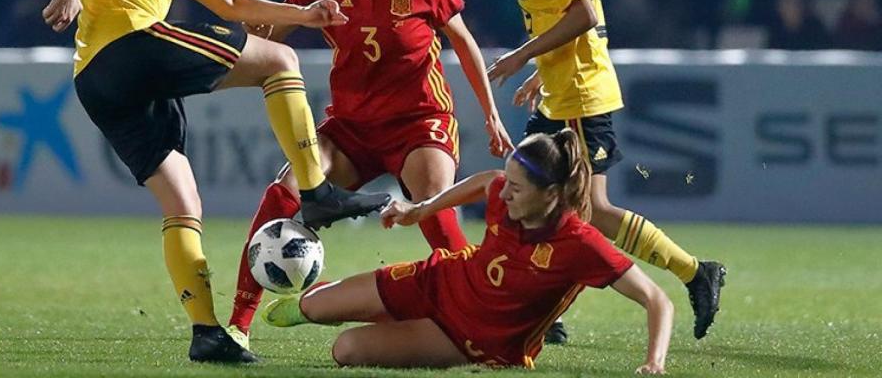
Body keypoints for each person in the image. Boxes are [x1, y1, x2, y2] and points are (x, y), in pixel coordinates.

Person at [27, 0, 391, 364]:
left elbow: (230, 3)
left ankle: (207, 334)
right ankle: (315, 193)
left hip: (99, 82)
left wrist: (305, 14)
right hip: (130, 44)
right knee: (280, 60)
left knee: (183, 202)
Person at [227, 0, 514, 347]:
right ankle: (237, 325)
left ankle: (487, 307)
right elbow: (272, 34)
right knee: (283, 193)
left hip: (419, 124)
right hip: (352, 131)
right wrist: (274, 24)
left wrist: (489, 112)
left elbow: (463, 43)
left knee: (431, 207)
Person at [460, 0, 726, 343]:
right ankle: (547, 312)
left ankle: (694, 273)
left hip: (582, 98)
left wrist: (521, 57)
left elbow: (581, 14)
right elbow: (583, 17)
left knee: (589, 211)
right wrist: (544, 72)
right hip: (565, 92)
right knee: (534, 196)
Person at [262, 130, 674, 373]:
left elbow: (657, 300)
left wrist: (654, 363)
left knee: (346, 350)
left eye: (517, 188)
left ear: (550, 194)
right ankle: (348, 307)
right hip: (440, 280)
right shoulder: (504, 192)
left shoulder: (580, 244)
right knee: (313, 306)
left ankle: (392, 319)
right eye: (508, 182)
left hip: (469, 338)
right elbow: (485, 181)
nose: (505, 193)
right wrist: (418, 209)